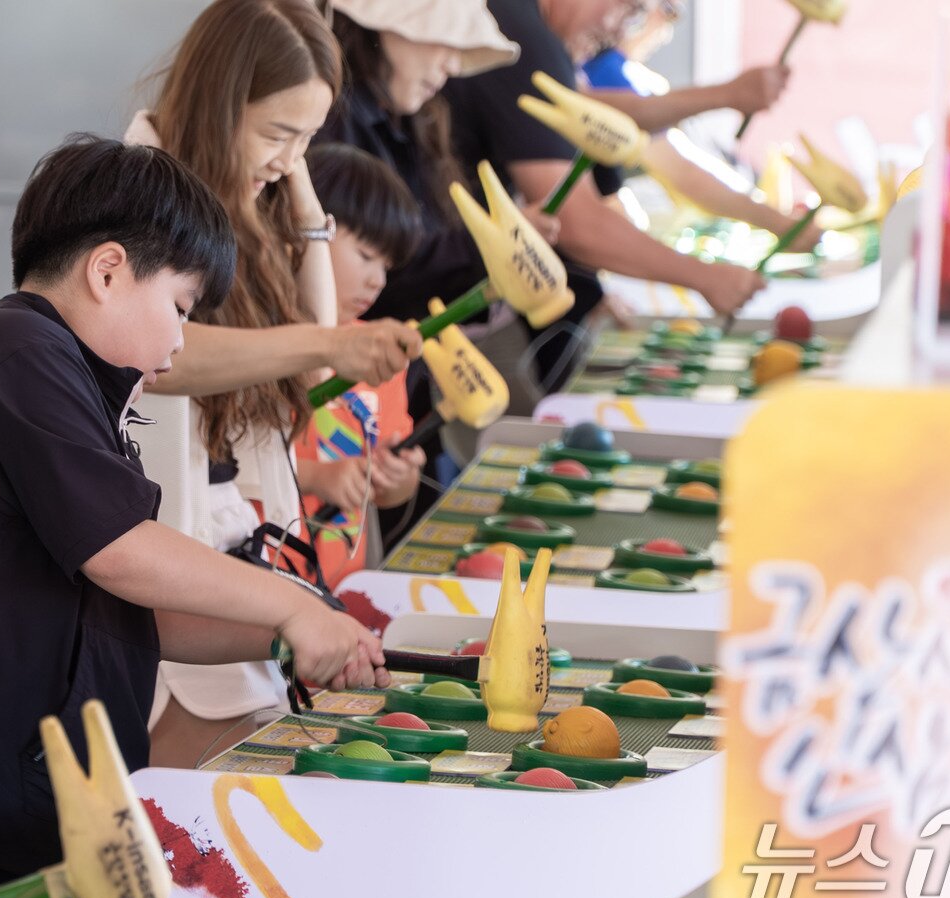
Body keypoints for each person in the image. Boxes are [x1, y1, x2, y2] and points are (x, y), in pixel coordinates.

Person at [0, 137, 390, 898]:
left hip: (7, 815)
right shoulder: (13, 348)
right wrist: (288, 602)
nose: (177, 347)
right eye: (180, 309)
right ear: (107, 271)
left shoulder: (80, 391)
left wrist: (296, 631)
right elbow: (121, 552)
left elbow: (142, 612)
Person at [125, 0, 417, 769]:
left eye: (309, 141)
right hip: (164, 550)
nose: (290, 159)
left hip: (225, 544)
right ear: (222, 104)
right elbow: (160, 358)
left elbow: (311, 370)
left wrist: (308, 205)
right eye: (279, 134)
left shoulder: (245, 202)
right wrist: (324, 341)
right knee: (220, 799)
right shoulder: (137, 191)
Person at [316, 0, 529, 538]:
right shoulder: (329, 121)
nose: (452, 66)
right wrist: (489, 249)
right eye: (445, 42)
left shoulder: (413, 120)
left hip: (393, 393)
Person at [444, 0, 772, 326]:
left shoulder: (523, 24)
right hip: (442, 298)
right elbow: (575, 222)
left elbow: (603, 111)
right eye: (629, 9)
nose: (618, 32)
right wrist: (707, 278)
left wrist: (727, 95)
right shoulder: (527, 39)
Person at [583, 0, 823, 251]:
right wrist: (778, 222)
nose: (666, 31)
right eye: (668, 10)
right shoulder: (608, 71)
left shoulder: (623, 71)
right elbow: (683, 171)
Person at [297, 144, 427, 589]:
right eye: (367, 255)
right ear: (307, 232)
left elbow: (390, 494)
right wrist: (317, 477)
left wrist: (399, 476)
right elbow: (223, 472)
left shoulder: (380, 354)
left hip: (343, 584)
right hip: (267, 583)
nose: (378, 280)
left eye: (386, 265)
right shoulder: (263, 348)